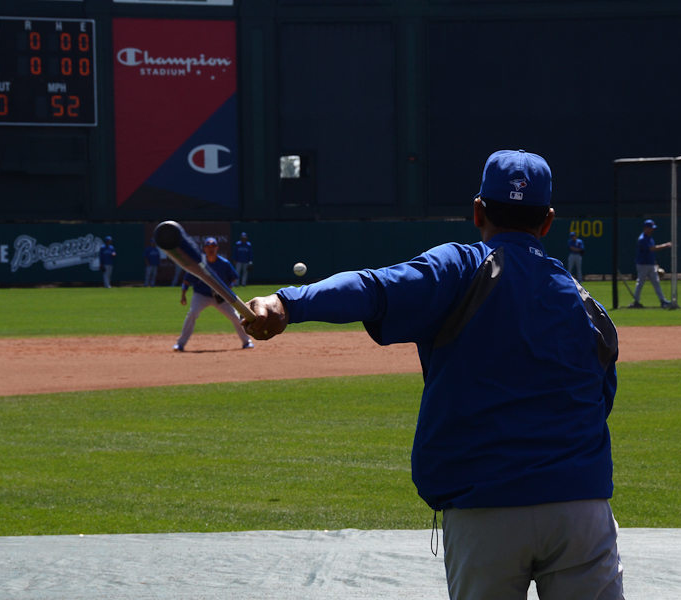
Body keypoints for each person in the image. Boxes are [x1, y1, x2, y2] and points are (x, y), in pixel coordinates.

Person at [243, 150, 623, 600]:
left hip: (485, 511)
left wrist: (289, 303)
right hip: (582, 511)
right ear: (548, 222)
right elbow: (602, 402)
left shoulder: (461, 269)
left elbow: (373, 289)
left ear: (478, 210)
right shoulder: (587, 306)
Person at [173, 237, 254, 352]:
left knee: (235, 317)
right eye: (208, 247)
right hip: (201, 295)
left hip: (221, 296)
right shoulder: (198, 264)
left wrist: (226, 289)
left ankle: (247, 342)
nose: (211, 249)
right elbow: (186, 281)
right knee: (192, 313)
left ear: (217, 248)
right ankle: (180, 344)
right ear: (204, 249)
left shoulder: (224, 263)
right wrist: (183, 295)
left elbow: (234, 278)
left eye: (213, 247)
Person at [632, 219, 671, 308]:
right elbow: (652, 249)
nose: (653, 229)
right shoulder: (642, 238)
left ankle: (663, 301)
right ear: (646, 228)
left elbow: (651, 253)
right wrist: (665, 245)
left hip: (651, 264)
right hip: (642, 264)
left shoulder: (650, 237)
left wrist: (655, 264)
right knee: (640, 283)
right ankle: (636, 302)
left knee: (656, 282)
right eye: (651, 228)